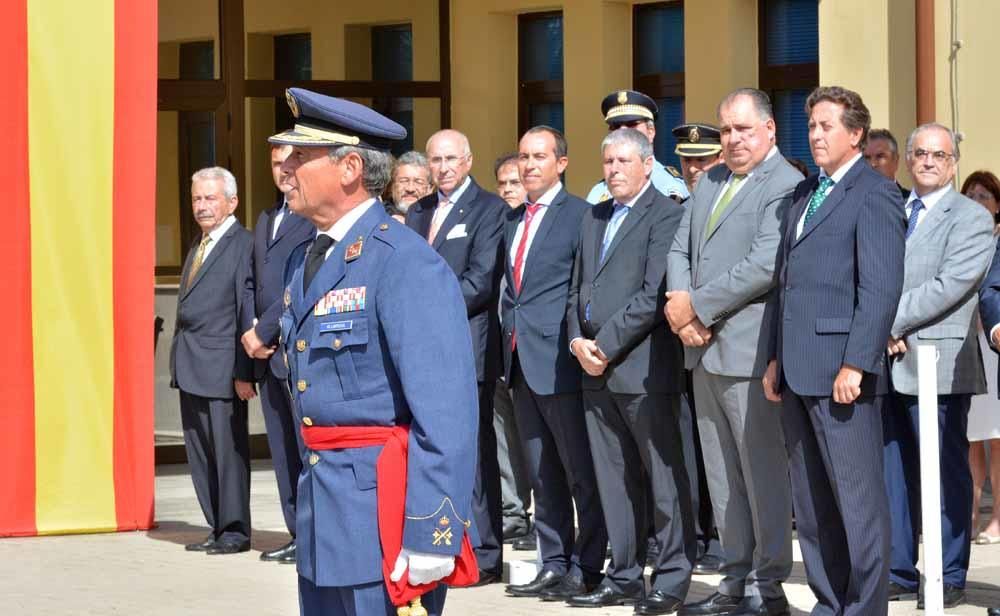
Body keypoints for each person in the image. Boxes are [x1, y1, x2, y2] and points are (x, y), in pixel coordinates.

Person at [270, 88, 479, 616]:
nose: (286, 168)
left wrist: (433, 532)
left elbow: (445, 412)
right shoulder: (306, 257)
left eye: (301, 156)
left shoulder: (403, 261)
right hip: (325, 512)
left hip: (382, 517)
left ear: (351, 168)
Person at [762, 85, 906, 616]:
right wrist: (774, 357)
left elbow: (881, 288)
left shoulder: (876, 193)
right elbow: (786, 284)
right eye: (812, 126)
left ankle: (865, 608)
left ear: (855, 133)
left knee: (858, 502)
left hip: (842, 372)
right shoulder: (804, 194)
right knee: (815, 506)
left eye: (826, 126)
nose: (816, 135)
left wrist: (857, 362)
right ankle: (830, 602)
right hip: (796, 370)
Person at [667, 88, 800, 616]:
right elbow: (680, 246)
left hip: (747, 353)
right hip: (701, 352)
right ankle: (732, 578)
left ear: (769, 129)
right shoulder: (712, 180)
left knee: (761, 476)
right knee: (722, 477)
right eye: (726, 130)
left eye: (743, 129)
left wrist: (695, 307)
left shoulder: (785, 183)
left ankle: (768, 586)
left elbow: (765, 264)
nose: (733, 139)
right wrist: (680, 307)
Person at [564, 127, 691, 613]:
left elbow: (653, 295)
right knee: (613, 480)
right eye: (608, 162)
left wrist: (605, 344)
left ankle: (674, 576)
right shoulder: (594, 216)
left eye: (622, 162)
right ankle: (623, 575)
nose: (613, 170)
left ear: (646, 164)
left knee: (663, 480)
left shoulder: (667, 213)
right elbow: (578, 287)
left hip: (642, 368)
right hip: (593, 370)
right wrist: (578, 340)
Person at [882, 123, 996, 610]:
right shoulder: (891, 210)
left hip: (940, 361)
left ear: (952, 163)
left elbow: (954, 283)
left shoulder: (970, 216)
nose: (928, 162)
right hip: (884, 360)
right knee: (894, 470)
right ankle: (900, 569)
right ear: (909, 160)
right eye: (920, 153)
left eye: (939, 155)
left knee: (947, 472)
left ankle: (949, 571)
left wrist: (888, 320)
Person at [502, 126, 608, 602]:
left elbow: (580, 288)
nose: (529, 165)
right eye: (523, 157)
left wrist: (576, 342)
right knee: (542, 473)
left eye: (539, 156)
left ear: (561, 163)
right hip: (520, 361)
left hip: (561, 362)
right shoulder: (514, 219)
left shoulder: (580, 216)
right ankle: (553, 560)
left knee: (578, 472)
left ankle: (587, 565)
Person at [405, 129, 508, 585]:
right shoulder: (417, 212)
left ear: (468, 160)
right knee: (427, 450)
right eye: (435, 159)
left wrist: (424, 312)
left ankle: (485, 553)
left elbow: (481, 280)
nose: (443, 167)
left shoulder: (489, 210)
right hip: (417, 352)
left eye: (451, 158)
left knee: (475, 452)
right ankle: (437, 544)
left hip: (467, 347)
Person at [169, 167, 255, 556]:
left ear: (232, 201)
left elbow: (243, 310)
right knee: (201, 453)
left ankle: (235, 530)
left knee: (227, 453)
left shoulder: (242, 245)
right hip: (191, 365)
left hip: (222, 369)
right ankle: (217, 524)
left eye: (210, 198)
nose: (202, 206)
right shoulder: (199, 244)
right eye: (196, 199)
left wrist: (243, 371)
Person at [239, 144, 316, 564]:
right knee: (282, 451)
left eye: (291, 163)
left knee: (305, 449)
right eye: (275, 164)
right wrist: (251, 331)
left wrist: (264, 330)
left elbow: (296, 285)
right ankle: (293, 530)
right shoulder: (267, 219)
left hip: (293, 351)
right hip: (265, 354)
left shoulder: (310, 220)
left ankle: (311, 534)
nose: (284, 171)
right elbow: (251, 281)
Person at [671, 120, 728, 578]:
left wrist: (698, 313)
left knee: (724, 453)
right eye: (688, 160)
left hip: (722, 339)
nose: (694, 168)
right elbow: (677, 262)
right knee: (693, 447)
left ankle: (720, 538)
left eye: (703, 159)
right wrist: (681, 311)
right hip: (683, 344)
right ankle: (698, 533)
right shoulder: (681, 206)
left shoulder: (727, 200)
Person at [492, 152, 535, 549]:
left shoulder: (551, 223)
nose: (508, 189)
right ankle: (514, 512)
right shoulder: (502, 226)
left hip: (537, 354)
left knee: (537, 441)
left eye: (514, 182)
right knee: (505, 436)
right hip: (501, 350)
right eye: (502, 183)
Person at [966, 170, 1000, 544]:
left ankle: (997, 519)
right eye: (971, 196)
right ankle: (970, 514)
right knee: (970, 438)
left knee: (995, 439)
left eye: (984, 197)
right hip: (965, 348)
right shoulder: (962, 239)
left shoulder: (998, 242)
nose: (977, 203)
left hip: (993, 349)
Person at [586, 90, 689, 204]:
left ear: (651, 132)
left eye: (632, 125)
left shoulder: (670, 188)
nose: (623, 132)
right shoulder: (598, 192)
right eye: (616, 126)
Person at [673, 122, 724, 191]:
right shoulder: (677, 198)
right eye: (687, 160)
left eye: (701, 160)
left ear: (722, 158)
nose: (692, 169)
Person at [864, 128, 910, 200]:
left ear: (895, 161)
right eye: (867, 158)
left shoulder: (910, 204)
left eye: (880, 156)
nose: (872, 164)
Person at [389, 150, 433, 220]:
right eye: (404, 181)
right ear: (392, 186)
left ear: (430, 189)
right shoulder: (378, 218)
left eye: (418, 182)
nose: (410, 189)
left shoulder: (436, 220)